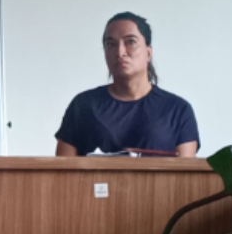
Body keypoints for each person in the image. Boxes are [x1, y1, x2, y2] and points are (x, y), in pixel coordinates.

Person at [55, 12, 199, 157]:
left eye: (130, 42)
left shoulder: (178, 110)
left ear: (148, 53)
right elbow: (62, 168)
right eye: (111, 44)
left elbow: (186, 169)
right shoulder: (83, 105)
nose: (120, 52)